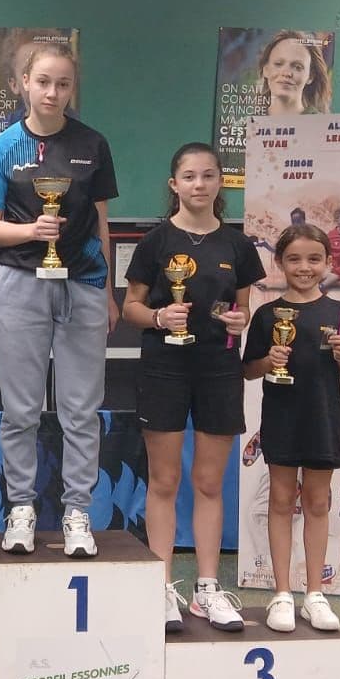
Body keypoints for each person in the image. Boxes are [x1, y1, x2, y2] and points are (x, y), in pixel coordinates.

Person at [0, 41, 119, 558]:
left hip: (84, 283)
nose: (52, 92)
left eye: (62, 84)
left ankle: (78, 511)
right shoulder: (2, 148)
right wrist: (31, 230)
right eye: (43, 82)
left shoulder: (93, 144)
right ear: (22, 85)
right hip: (20, 283)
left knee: (81, 409)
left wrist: (109, 292)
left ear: (72, 88)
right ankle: (21, 508)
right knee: (20, 410)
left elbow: (100, 223)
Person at [121, 143, 260, 633]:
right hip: (164, 368)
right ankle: (161, 588)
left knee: (208, 482)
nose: (199, 184)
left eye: (207, 175)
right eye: (189, 176)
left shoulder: (239, 246)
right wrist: (160, 317)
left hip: (219, 370)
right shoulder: (155, 242)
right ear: (174, 184)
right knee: (164, 481)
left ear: (221, 181)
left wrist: (240, 320)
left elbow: (241, 309)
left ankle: (206, 589)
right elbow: (130, 309)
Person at [242, 224, 340, 633]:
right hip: (282, 417)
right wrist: (269, 360)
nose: (304, 267)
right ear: (279, 262)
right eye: (294, 259)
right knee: (280, 500)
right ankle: (281, 593)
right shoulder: (266, 315)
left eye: (314, 259)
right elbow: (249, 370)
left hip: (324, 419)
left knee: (317, 502)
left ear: (328, 262)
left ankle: (314, 594)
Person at [257, 30, 333, 116]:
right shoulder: (247, 123)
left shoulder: (322, 123)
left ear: (310, 76)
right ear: (266, 70)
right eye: (278, 64)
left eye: (297, 67)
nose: (286, 73)